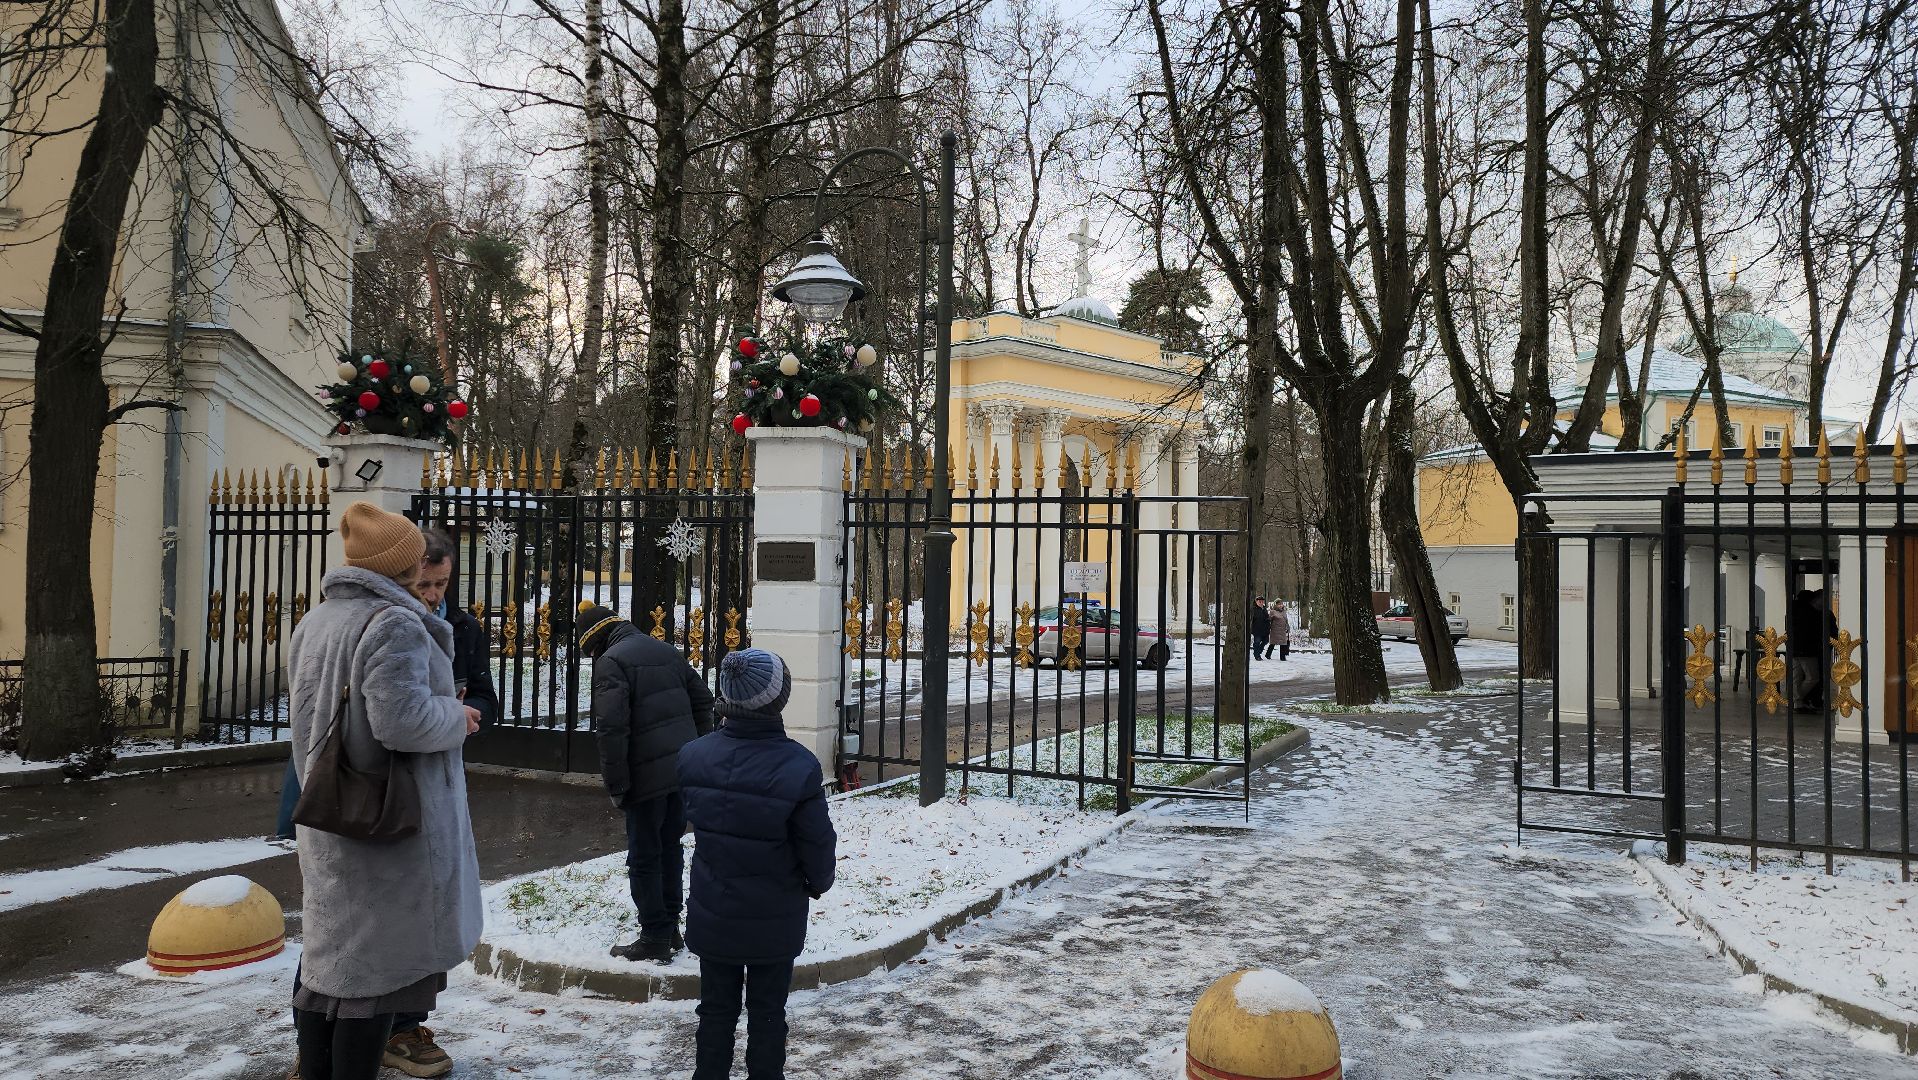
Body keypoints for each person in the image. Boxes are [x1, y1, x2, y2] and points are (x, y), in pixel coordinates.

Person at [284, 503, 482, 1080]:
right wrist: (456, 715)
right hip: (387, 825)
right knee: (374, 982)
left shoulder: (316, 620)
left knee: (331, 971)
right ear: (399, 563)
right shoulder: (393, 622)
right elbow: (400, 722)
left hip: (331, 810)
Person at [375, 527, 501, 1077]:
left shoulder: (463, 626)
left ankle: (406, 1023)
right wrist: (443, 713)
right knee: (378, 911)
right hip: (386, 784)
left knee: (429, 904)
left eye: (441, 584)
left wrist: (466, 714)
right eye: (424, 583)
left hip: (438, 780)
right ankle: (368, 1028)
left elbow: (487, 697)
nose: (432, 594)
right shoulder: (388, 627)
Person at [678, 648, 837, 1080]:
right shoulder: (799, 766)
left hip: (714, 910)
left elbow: (684, 819)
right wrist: (819, 882)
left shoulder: (693, 756)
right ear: (779, 699)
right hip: (774, 916)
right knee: (768, 1012)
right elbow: (817, 842)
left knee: (714, 1009)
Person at [576, 601, 714, 963]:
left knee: (643, 857)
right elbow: (704, 702)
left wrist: (617, 784)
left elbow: (611, 729)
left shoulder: (611, 662)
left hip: (644, 778)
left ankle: (654, 933)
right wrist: (695, 751)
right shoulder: (666, 650)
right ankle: (670, 928)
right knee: (670, 847)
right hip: (680, 773)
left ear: (596, 641)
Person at [1249, 595, 1270, 660]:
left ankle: (1259, 651)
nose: (1261, 603)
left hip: (1265, 629)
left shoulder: (1264, 609)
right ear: (1256, 602)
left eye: (1262, 601)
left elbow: (1266, 617)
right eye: (1259, 602)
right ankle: (1257, 655)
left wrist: (1268, 619)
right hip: (1257, 629)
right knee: (1257, 642)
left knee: (1266, 641)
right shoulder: (1253, 609)